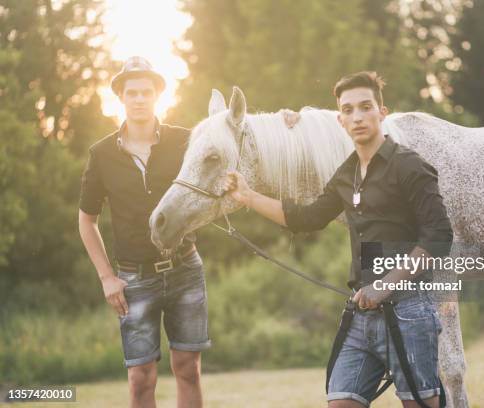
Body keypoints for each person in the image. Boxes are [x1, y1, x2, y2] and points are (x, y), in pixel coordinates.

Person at [78, 56, 299, 408]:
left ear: (157, 96)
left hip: (185, 269)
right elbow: (86, 220)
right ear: (120, 96)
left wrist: (288, 121)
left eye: (146, 92)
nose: (139, 99)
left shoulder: (186, 140)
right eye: (131, 92)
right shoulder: (102, 154)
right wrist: (107, 277)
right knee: (140, 378)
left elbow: (239, 137)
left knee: (188, 369)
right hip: (134, 277)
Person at [223, 71, 453, 408]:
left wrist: (385, 285)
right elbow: (308, 218)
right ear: (340, 120)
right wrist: (247, 197)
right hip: (362, 311)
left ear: (382, 112)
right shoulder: (347, 174)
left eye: (365, 107)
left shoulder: (410, 166)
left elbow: (439, 236)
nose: (357, 116)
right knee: (342, 402)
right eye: (348, 110)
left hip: (408, 309)